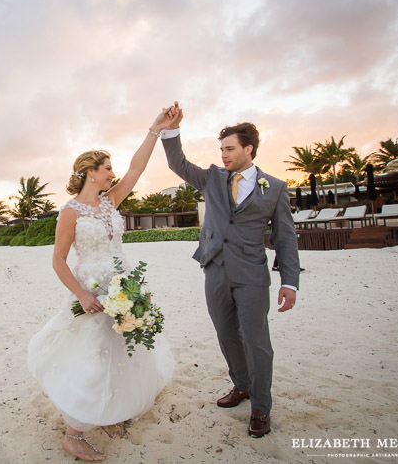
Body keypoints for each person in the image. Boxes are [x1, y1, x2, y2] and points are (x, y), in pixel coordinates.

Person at [27, 109, 177, 461]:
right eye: (107, 168)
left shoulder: (111, 201)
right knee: (93, 355)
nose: (114, 173)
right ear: (90, 173)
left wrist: (154, 129)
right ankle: (74, 433)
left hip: (124, 282)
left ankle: (109, 411)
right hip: (92, 290)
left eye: (112, 168)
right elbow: (59, 260)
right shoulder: (70, 212)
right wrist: (82, 294)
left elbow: (138, 168)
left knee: (123, 350)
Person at [160, 102, 300, 438]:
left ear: (248, 149)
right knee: (226, 334)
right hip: (216, 270)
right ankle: (242, 385)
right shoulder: (211, 178)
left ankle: (261, 406)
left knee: (257, 341)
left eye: (229, 149)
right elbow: (177, 163)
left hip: (252, 274)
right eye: (221, 148)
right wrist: (172, 129)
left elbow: (285, 237)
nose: (223, 154)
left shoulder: (275, 187)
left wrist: (290, 282)